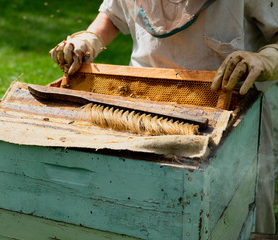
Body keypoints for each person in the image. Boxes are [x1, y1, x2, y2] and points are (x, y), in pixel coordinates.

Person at [50, 0, 278, 234]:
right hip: (139, 113)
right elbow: (112, 15)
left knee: (237, 217)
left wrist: (268, 58)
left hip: (230, 116)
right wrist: (89, 39)